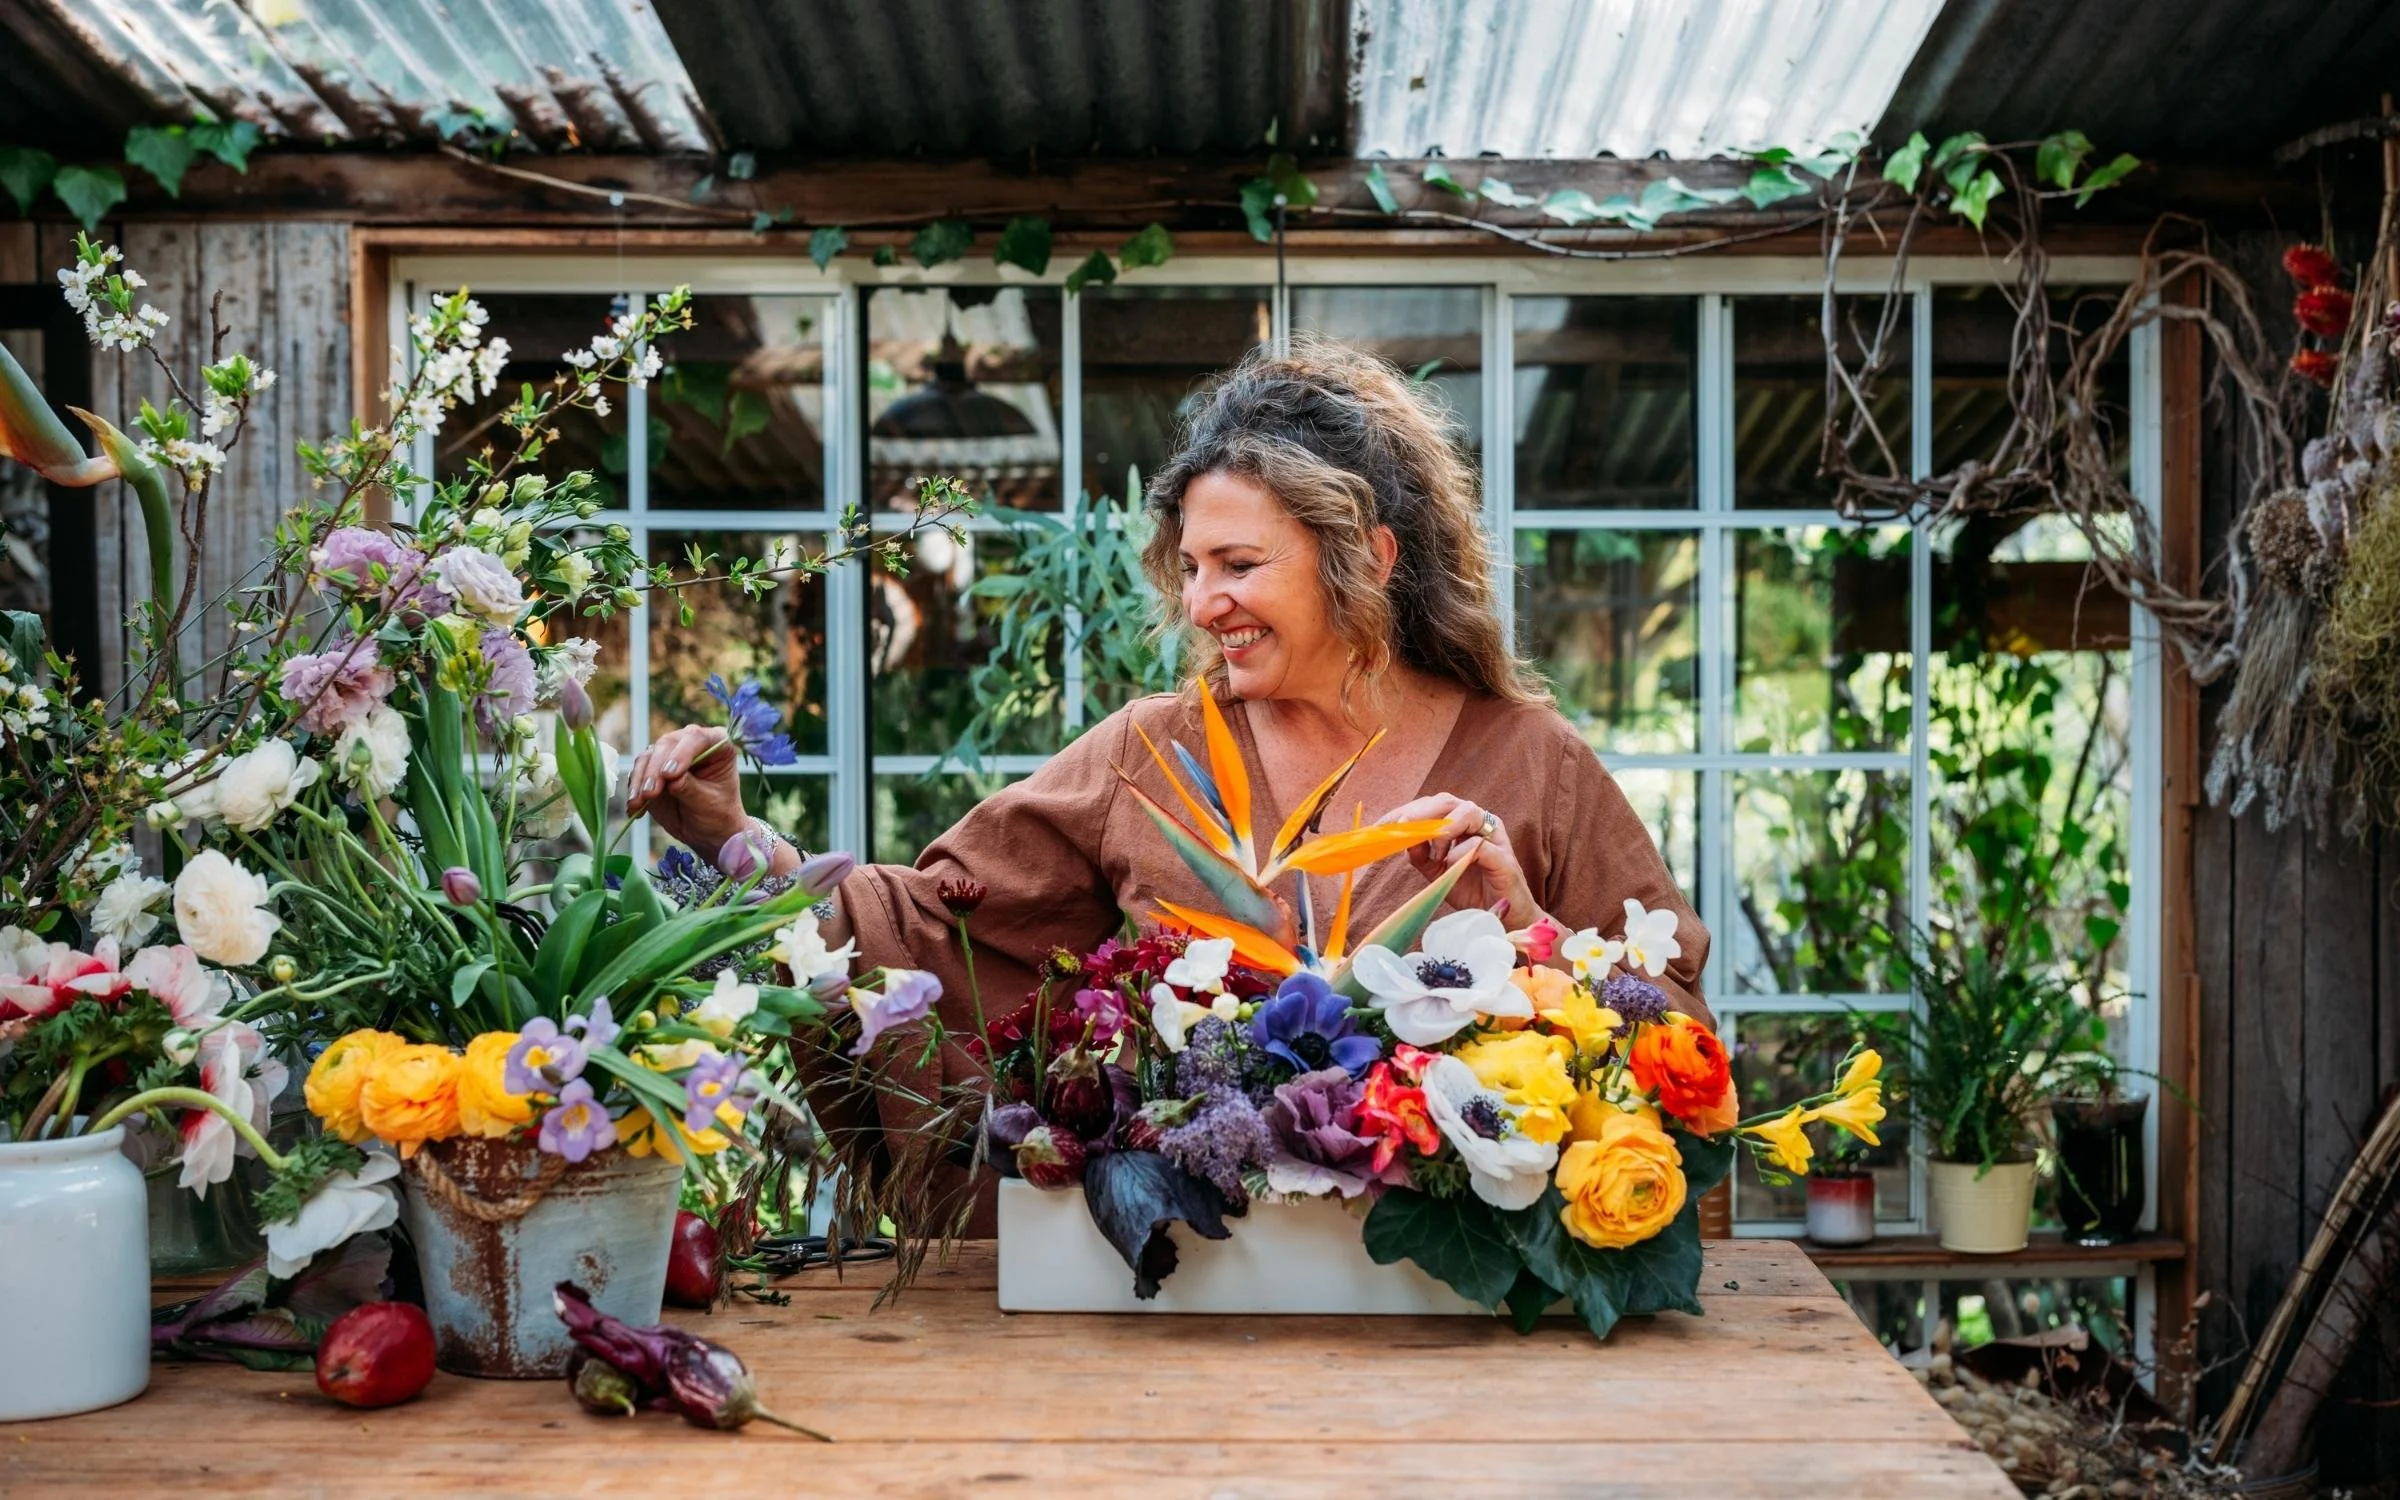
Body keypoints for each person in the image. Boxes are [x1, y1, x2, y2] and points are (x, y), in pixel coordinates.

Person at [632, 336, 1711, 1181]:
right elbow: (927, 930)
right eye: (1192, 567)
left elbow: (1681, 1061)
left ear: (1368, 560)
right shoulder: (1150, 753)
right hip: (1181, 1313)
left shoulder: (1535, 766)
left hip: (1446, 1326)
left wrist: (1530, 934)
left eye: (1240, 563)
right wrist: (734, 844)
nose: (1202, 604)